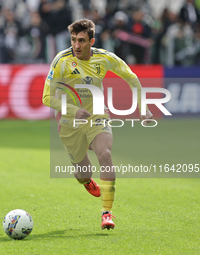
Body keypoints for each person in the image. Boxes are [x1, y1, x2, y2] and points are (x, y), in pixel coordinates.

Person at [42, 19, 153, 230]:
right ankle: (86, 180)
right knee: (82, 172)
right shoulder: (61, 61)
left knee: (105, 154)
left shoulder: (104, 58)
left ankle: (107, 213)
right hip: (69, 121)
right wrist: (74, 110)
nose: (76, 45)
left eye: (81, 41)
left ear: (91, 41)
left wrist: (143, 108)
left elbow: (132, 78)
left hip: (96, 115)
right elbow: (47, 98)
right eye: (73, 40)